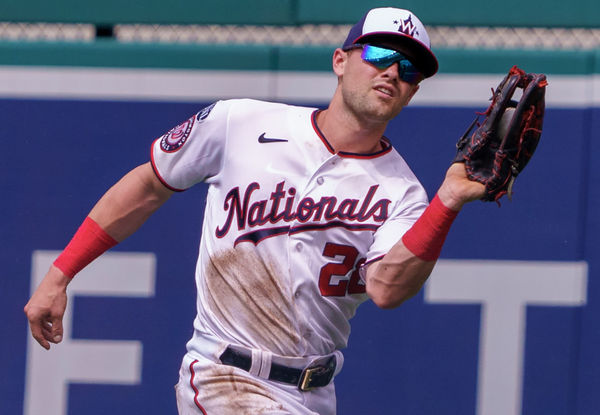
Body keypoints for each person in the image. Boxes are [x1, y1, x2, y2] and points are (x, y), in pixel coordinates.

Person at [24, 7, 485, 415]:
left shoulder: (404, 194)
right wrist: (61, 273)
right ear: (340, 61)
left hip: (316, 392)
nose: (392, 73)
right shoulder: (239, 122)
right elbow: (148, 185)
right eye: (380, 55)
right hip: (225, 376)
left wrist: (446, 203)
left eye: (408, 69)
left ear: (413, 90)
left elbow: (386, 289)